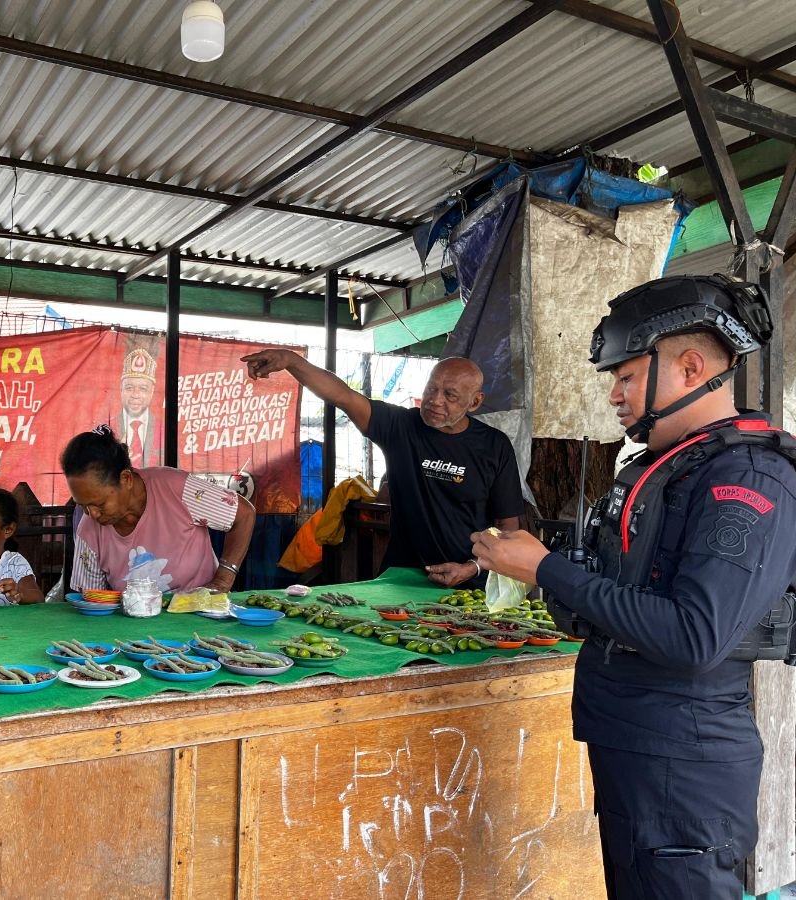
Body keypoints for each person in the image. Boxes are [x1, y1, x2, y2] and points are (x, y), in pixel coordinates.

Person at [471, 274, 796, 899]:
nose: (614, 395)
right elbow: (624, 596)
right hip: (639, 749)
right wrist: (548, 571)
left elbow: (694, 637)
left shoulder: (748, 477)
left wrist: (546, 570)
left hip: (682, 769)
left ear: (690, 367)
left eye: (625, 376)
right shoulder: (666, 467)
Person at [242, 350, 522, 587]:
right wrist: (292, 361)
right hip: (402, 579)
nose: (436, 400)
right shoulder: (400, 427)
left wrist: (472, 567)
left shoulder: (494, 446)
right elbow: (343, 396)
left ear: (475, 402)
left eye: (450, 395)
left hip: (470, 585)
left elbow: (507, 528)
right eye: (431, 389)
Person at [62, 426, 255, 593]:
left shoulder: (175, 487)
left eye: (100, 504)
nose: (92, 514)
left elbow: (243, 514)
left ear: (126, 479)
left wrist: (222, 580)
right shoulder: (88, 530)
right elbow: (92, 599)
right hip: (134, 621)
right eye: (83, 506)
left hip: (199, 614)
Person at [116, 347, 161, 468]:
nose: (135, 395)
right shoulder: (107, 428)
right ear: (121, 389)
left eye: (143, 389)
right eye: (129, 388)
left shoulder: (164, 430)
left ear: (152, 391)